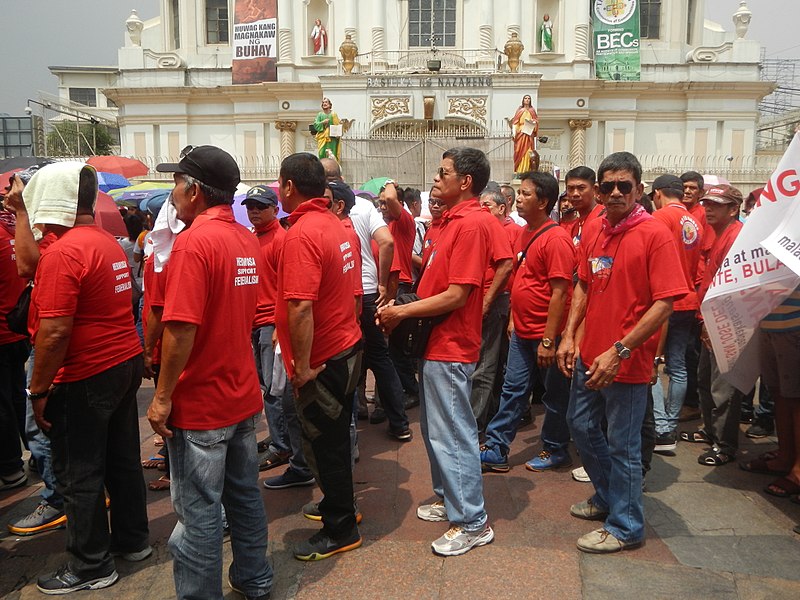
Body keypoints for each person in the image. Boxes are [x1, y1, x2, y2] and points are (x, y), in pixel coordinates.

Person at [149, 145, 272, 599]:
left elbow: (180, 328)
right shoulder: (242, 237)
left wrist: (162, 396)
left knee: (199, 511)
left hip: (202, 402)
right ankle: (255, 578)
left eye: (177, 182)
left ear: (195, 190)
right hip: (239, 393)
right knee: (243, 496)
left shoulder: (195, 242)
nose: (173, 192)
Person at [24, 162, 149, 593]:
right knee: (121, 460)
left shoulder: (63, 252)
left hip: (87, 371)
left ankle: (91, 565)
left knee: (80, 472)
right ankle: (133, 541)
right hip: (122, 363)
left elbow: (55, 330)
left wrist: (38, 389)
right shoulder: (104, 241)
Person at [557, 151, 687, 554]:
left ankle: (627, 525)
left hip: (625, 362)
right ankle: (608, 496)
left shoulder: (655, 235)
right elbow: (582, 283)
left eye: (624, 186)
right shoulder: (595, 229)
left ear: (639, 189)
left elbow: (665, 302)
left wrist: (620, 350)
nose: (615, 193)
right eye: (608, 185)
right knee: (579, 425)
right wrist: (568, 335)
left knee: (625, 447)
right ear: (599, 190)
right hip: (589, 355)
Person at [377, 147, 496, 557]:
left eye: (443, 173)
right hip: (435, 342)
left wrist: (402, 310)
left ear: (466, 182)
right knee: (435, 430)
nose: (436, 178)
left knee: (453, 434)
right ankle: (450, 496)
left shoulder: (473, 225)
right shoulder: (450, 223)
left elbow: (457, 294)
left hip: (451, 343)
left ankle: (472, 521)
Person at [275, 152, 364, 561]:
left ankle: (340, 527)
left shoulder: (303, 232)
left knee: (323, 443)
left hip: (324, 357)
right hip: (345, 345)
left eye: (280, 185)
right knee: (334, 437)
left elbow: (300, 307)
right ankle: (339, 506)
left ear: (290, 186)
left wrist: (304, 366)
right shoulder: (334, 223)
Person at [479, 171, 575, 472]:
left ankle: (556, 448)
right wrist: (513, 321)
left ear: (543, 201)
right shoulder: (525, 232)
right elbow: (521, 277)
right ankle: (497, 447)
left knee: (555, 396)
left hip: (548, 335)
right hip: (522, 330)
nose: (517, 199)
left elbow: (560, 292)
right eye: (518, 194)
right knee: (513, 389)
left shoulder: (557, 239)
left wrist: (549, 340)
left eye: (525, 194)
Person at [321, 158, 412, 440]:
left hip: (340, 292)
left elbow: (388, 241)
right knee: (379, 357)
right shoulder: (363, 206)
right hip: (369, 289)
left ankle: (348, 432)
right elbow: (386, 241)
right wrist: (382, 283)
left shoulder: (324, 209)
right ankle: (399, 422)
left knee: (343, 355)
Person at [680, 185, 745, 467]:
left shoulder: (736, 236)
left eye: (716, 205)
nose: (708, 208)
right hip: (711, 319)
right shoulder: (720, 234)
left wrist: (712, 323)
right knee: (706, 380)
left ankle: (725, 444)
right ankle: (711, 431)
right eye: (707, 203)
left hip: (725, 321)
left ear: (733, 209)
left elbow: (730, 288)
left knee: (723, 387)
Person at [471, 189, 515, 430]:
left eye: (486, 204)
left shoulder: (508, 230)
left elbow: (508, 267)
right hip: (481, 300)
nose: (482, 208)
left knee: (485, 364)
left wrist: (488, 301)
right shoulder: (483, 227)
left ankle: (476, 424)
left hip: (495, 301)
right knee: (487, 363)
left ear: (502, 208)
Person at [562, 166, 602, 248]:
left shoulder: (604, 219)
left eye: (581, 188)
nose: (575, 193)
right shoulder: (575, 226)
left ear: (595, 189)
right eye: (570, 189)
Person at [509, 95, 538, 176]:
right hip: (521, 133)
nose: (527, 100)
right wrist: (514, 132)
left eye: (529, 98)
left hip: (529, 133)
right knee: (519, 151)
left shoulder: (532, 111)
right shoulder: (520, 111)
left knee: (528, 152)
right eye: (525, 98)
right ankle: (519, 170)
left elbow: (536, 121)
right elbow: (515, 122)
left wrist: (533, 122)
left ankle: (527, 170)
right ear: (523, 100)